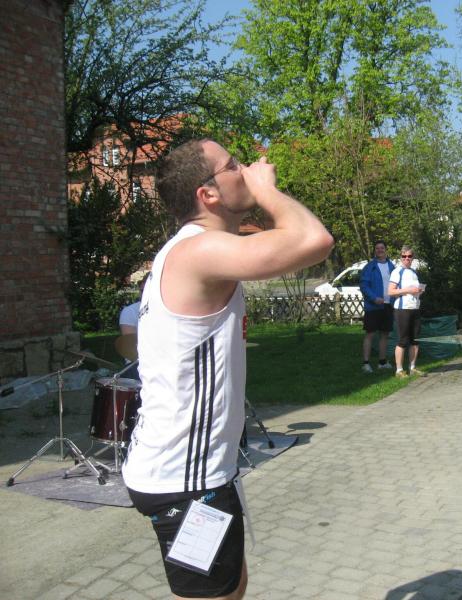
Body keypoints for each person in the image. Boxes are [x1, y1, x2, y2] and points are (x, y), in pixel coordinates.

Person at [122, 138, 333, 600]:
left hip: (197, 470)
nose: (247, 168)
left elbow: (285, 239)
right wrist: (266, 190)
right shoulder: (198, 253)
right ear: (208, 193)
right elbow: (314, 240)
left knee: (232, 585)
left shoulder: (196, 249)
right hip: (185, 479)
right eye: (233, 165)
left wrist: (254, 197)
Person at [388, 245, 425, 378]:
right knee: (403, 340)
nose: (407, 258)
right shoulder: (397, 271)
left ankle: (412, 368)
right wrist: (408, 290)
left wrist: (419, 291)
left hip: (415, 308)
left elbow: (415, 290)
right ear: (401, 257)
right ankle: (399, 370)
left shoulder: (414, 272)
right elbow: (390, 291)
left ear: (412, 257)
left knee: (415, 340)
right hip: (402, 309)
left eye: (409, 256)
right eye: (404, 256)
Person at [359, 240, 395, 373]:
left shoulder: (392, 266)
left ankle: (382, 362)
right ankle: (366, 364)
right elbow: (364, 286)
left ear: (386, 250)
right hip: (373, 307)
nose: (380, 250)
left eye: (382, 248)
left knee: (385, 334)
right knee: (370, 334)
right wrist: (374, 298)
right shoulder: (370, 267)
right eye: (377, 248)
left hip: (388, 305)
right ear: (375, 251)